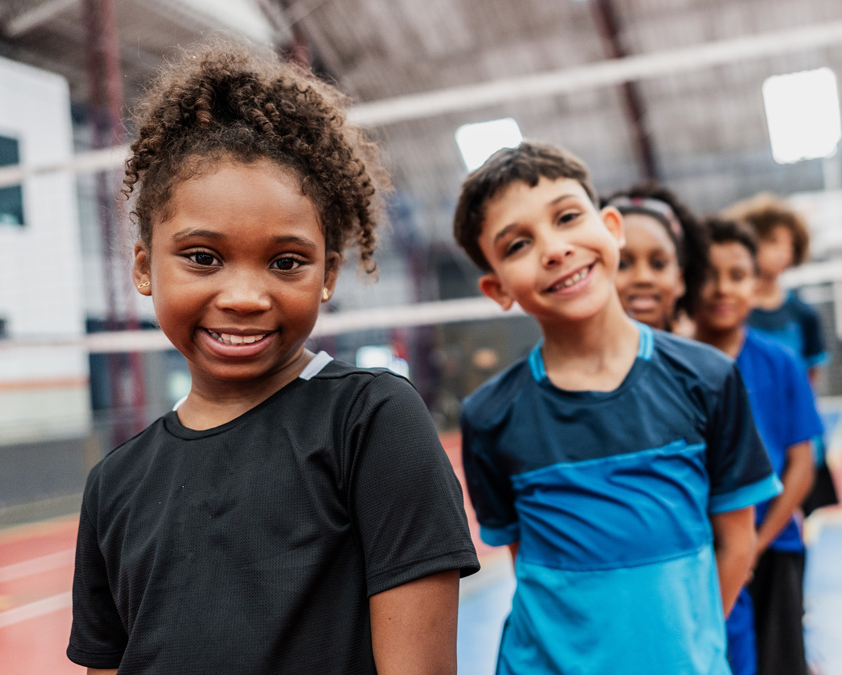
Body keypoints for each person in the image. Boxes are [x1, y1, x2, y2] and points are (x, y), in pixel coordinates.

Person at [67, 42, 479, 675]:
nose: (244, 297)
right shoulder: (114, 484)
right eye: (203, 256)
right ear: (145, 267)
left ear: (327, 275)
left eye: (285, 262)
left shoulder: (370, 422)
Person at [452, 141, 781, 674]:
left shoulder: (708, 379)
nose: (554, 249)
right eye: (517, 245)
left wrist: (688, 652)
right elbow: (526, 561)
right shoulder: (490, 415)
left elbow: (737, 544)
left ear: (612, 228)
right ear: (497, 288)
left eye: (567, 217)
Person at [693, 217, 824, 675]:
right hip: (701, 553)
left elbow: (802, 464)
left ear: (756, 282)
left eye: (737, 275)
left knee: (780, 661)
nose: (722, 289)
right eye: (707, 275)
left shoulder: (780, 360)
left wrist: (753, 546)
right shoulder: (675, 362)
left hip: (774, 544)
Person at [723, 194, 838, 515]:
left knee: (794, 518)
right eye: (772, 241)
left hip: (792, 435)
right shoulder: (729, 313)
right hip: (746, 434)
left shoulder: (802, 314)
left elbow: (810, 379)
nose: (783, 252)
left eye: (789, 244)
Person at [602, 181, 708, 334]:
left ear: (680, 279)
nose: (643, 278)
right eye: (622, 264)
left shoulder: (702, 356)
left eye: (658, 264)